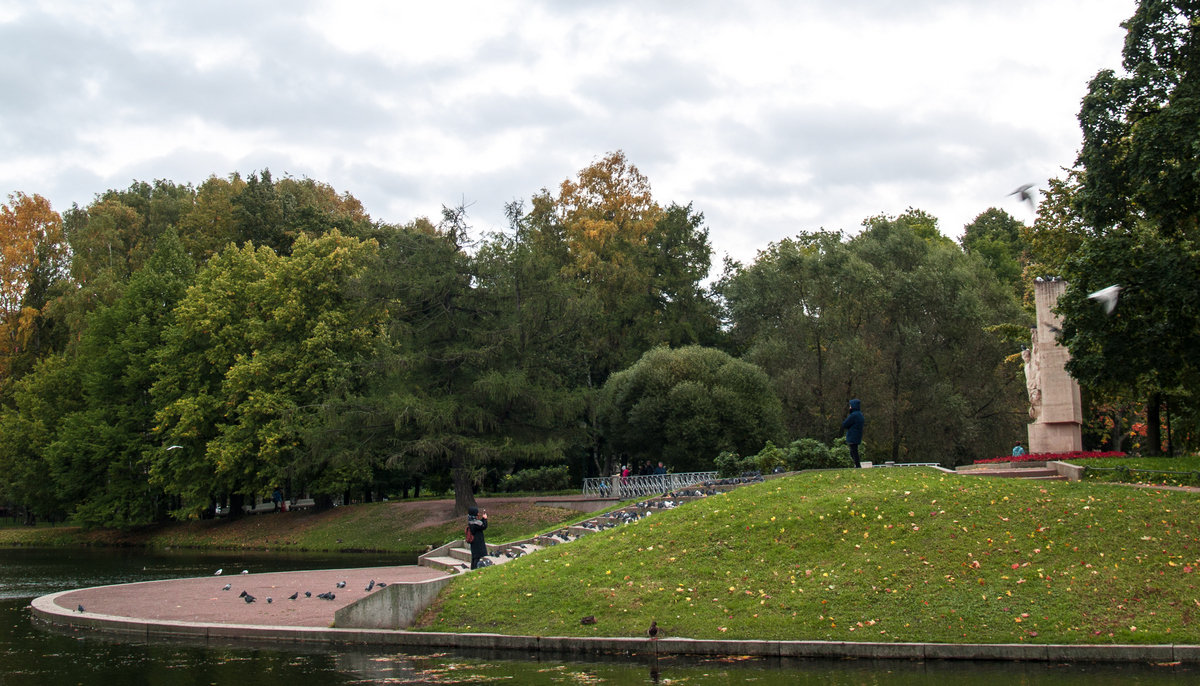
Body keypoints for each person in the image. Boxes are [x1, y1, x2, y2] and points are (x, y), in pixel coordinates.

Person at [842, 399, 865, 468]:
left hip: (852, 435)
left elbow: (845, 424)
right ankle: (857, 465)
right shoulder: (860, 415)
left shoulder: (853, 415)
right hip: (857, 435)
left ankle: (858, 465)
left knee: (853, 452)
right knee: (854, 451)